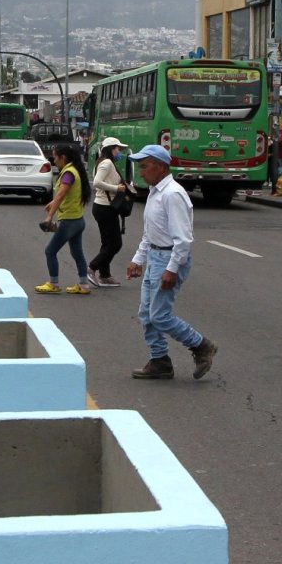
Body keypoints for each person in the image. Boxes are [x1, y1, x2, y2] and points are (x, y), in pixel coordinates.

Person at [124, 144, 218, 381]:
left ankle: (201, 345)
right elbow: (150, 233)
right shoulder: (155, 192)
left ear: (160, 166)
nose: (141, 172)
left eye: (144, 167)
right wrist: (138, 259)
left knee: (159, 315)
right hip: (156, 256)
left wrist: (172, 269)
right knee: (146, 313)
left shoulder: (172, 194)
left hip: (168, 258)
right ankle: (160, 361)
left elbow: (183, 240)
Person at [35, 143, 93, 295]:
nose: (54, 160)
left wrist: (49, 217)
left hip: (69, 221)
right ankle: (83, 284)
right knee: (77, 253)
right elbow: (64, 194)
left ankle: (53, 283)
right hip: (78, 220)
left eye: (55, 157)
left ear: (63, 157)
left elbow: (61, 194)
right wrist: (52, 202)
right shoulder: (74, 170)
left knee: (50, 251)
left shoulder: (68, 173)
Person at [88, 136, 129, 288]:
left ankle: (105, 275)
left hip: (104, 207)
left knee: (107, 243)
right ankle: (92, 267)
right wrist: (117, 188)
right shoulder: (107, 163)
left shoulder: (104, 162)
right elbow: (97, 182)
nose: (119, 152)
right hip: (105, 207)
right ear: (111, 149)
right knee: (115, 244)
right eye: (118, 149)